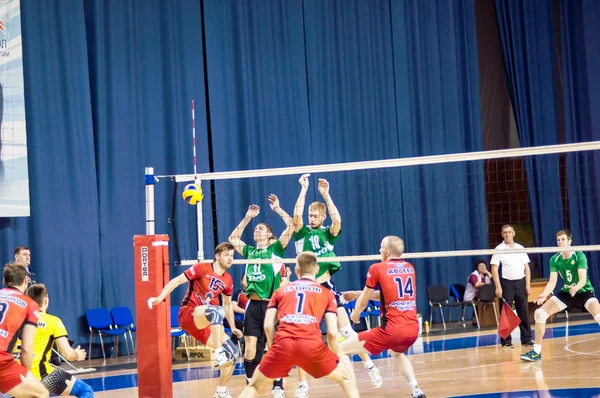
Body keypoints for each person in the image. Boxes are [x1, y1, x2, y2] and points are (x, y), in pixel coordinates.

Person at [292, 175, 381, 396]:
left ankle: (370, 366)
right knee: (303, 337)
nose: (311, 218)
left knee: (347, 332)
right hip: (307, 291)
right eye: (310, 215)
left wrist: (326, 195)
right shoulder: (302, 233)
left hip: (327, 288)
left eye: (314, 215)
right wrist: (303, 190)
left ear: (322, 217)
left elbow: (338, 220)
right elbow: (296, 216)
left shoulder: (327, 235)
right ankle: (303, 385)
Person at [240, 252, 359, 398]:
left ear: (296, 271)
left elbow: (268, 326)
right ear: (317, 269)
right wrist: (334, 358)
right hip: (312, 346)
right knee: (347, 379)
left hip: (284, 344)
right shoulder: (326, 293)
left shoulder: (280, 291)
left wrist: (273, 349)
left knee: (254, 386)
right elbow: (333, 333)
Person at [148, 242, 243, 398]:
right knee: (216, 310)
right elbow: (176, 281)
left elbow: (227, 305)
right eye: (227, 255)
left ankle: (220, 391)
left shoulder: (228, 279)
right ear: (217, 256)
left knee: (233, 352)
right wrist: (159, 298)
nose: (230, 259)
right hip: (189, 314)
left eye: (232, 256)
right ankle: (219, 353)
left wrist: (232, 327)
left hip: (207, 322)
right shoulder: (202, 268)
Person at [338, 236, 426, 398]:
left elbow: (364, 300)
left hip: (391, 330)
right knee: (397, 353)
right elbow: (388, 294)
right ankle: (417, 391)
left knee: (341, 350)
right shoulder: (409, 268)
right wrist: (357, 293)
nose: (379, 250)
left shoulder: (377, 268)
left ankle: (352, 394)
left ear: (386, 252)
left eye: (380, 247)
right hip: (412, 329)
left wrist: (355, 315)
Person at [228, 194, 294, 398]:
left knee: (273, 347)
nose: (257, 230)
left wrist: (278, 209)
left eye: (261, 228)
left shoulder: (276, 250)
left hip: (271, 306)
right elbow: (232, 239)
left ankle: (278, 386)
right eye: (256, 229)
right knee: (249, 350)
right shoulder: (249, 252)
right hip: (253, 307)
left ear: (269, 235)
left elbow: (291, 226)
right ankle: (251, 385)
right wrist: (248, 217)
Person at [521, 229, 600, 361]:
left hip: (583, 292)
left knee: (598, 316)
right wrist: (543, 294)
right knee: (540, 313)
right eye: (558, 240)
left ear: (569, 241)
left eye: (563, 239)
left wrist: (576, 287)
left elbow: (582, 279)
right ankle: (536, 352)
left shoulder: (579, 255)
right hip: (567, 293)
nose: (560, 242)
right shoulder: (555, 259)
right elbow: (552, 282)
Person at [25, 284, 93, 397]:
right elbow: (67, 354)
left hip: (15, 375)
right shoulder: (52, 321)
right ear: (46, 300)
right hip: (41, 374)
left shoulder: (16, 319)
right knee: (85, 390)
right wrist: (77, 355)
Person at [0, 264, 48, 398]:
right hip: (2, 361)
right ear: (26, 280)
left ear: (5, 281)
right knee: (41, 393)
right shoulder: (30, 304)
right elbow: (26, 348)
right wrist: (25, 372)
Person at [490, 224, 533, 348]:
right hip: (506, 283)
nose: (507, 234)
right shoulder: (498, 249)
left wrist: (528, 285)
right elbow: (494, 269)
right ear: (502, 234)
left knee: (523, 312)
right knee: (506, 313)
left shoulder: (520, 248)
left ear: (513, 233)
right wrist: (498, 287)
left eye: (509, 232)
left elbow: (527, 268)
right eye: (505, 232)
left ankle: (526, 340)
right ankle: (506, 341)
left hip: (521, 282)